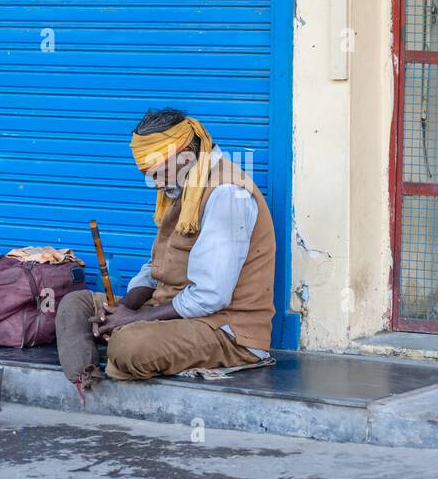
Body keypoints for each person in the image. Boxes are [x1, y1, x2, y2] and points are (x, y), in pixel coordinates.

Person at [56, 108, 275, 389]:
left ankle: (116, 348)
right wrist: (123, 307)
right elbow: (156, 266)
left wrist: (135, 319)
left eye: (157, 173)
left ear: (185, 155)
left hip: (225, 329)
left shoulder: (226, 194)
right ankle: (86, 374)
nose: (154, 183)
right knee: (76, 304)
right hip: (168, 309)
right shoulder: (181, 185)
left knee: (129, 345)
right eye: (149, 175)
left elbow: (211, 296)